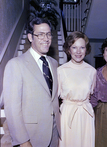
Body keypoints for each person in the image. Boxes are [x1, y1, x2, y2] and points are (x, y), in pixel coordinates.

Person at [3, 17, 60, 147]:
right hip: (32, 137)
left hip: (54, 135)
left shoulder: (54, 63)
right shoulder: (16, 65)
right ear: (30, 37)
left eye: (48, 34)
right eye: (40, 34)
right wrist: (23, 141)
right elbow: (12, 108)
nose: (46, 39)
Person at [57, 31, 96, 147]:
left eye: (82, 47)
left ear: (86, 50)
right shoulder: (60, 70)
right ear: (69, 50)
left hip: (86, 114)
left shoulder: (92, 71)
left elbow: (92, 94)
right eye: (74, 47)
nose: (78, 52)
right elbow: (54, 98)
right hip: (67, 114)